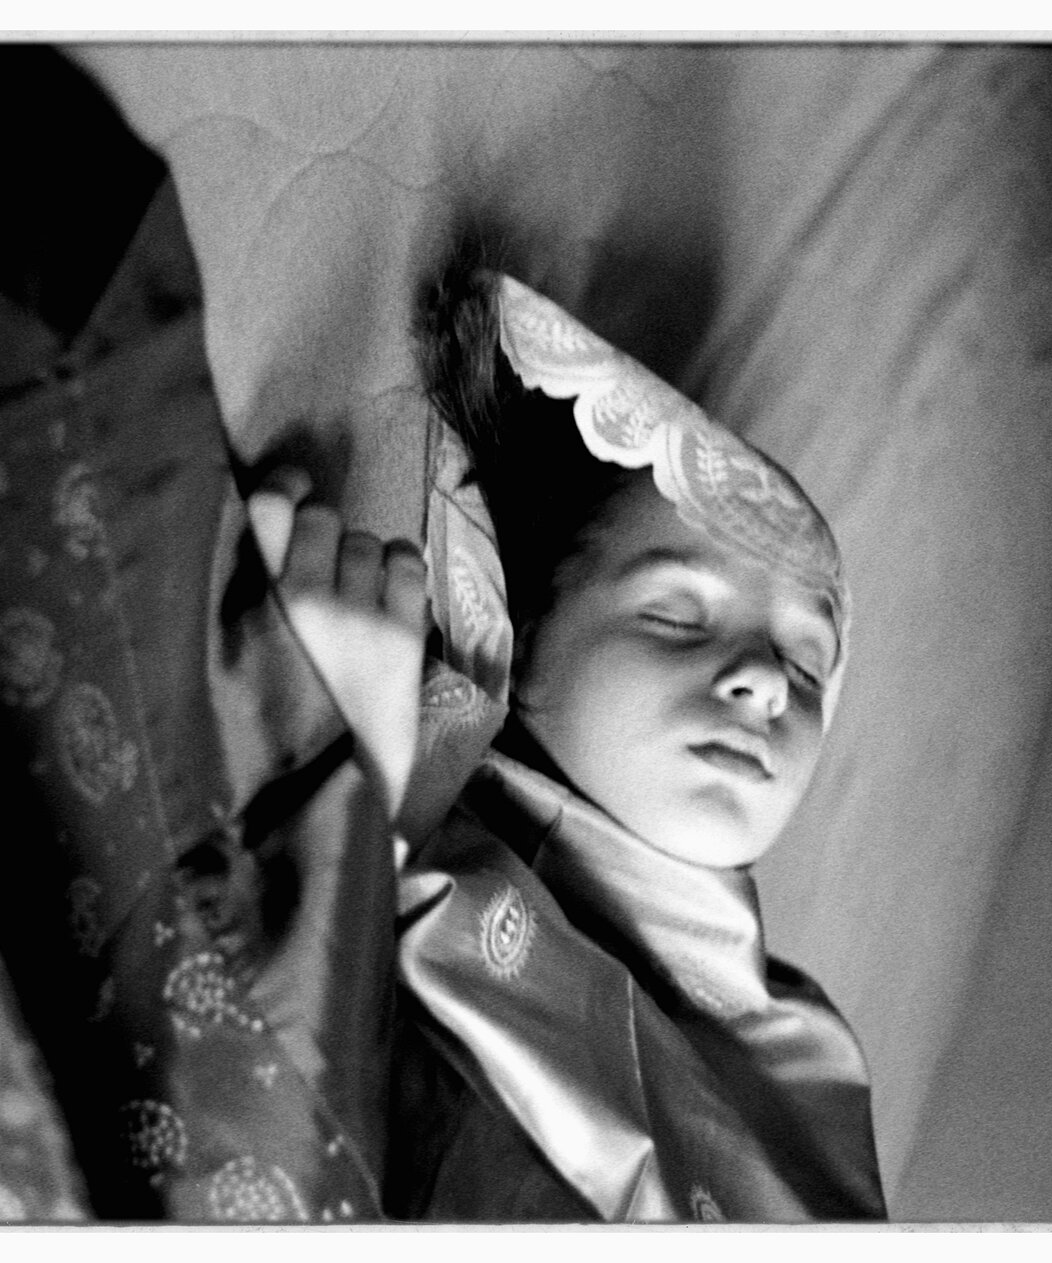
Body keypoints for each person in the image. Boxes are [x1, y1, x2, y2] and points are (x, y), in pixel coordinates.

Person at [249, 268, 886, 1221]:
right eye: (676, 614)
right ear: (528, 634)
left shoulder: (807, 1053)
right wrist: (358, 796)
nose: (765, 682)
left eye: (807, 664)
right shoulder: (411, 823)